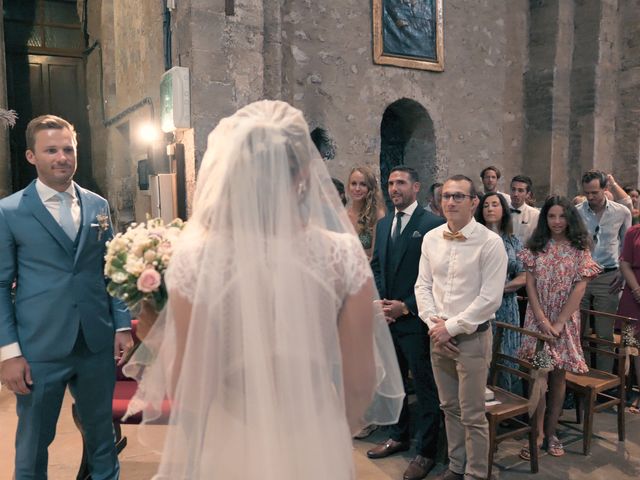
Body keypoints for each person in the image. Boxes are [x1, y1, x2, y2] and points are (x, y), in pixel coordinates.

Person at [123, 101, 404, 479]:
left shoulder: (197, 257)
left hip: (229, 435)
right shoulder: (342, 255)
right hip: (314, 435)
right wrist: (330, 434)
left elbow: (189, 383)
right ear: (305, 171)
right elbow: (361, 380)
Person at [0, 114, 132, 479]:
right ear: (31, 156)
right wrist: (8, 353)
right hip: (40, 346)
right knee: (33, 443)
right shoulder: (9, 211)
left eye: (68, 149)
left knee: (102, 438)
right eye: (51, 150)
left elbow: (113, 268)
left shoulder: (97, 206)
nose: (62, 157)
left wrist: (121, 324)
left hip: (94, 342)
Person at [415, 175, 508, 480]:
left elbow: (490, 299)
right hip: (437, 335)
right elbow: (423, 285)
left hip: (472, 338)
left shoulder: (490, 242)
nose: (451, 202)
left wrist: (451, 328)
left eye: (458, 196)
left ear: (473, 202)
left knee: (472, 414)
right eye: (446, 196)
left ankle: (477, 474)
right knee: (449, 407)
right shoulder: (431, 238)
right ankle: (456, 467)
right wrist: (434, 325)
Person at [368, 166, 444, 480]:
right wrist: (380, 302)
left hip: (416, 320)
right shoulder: (384, 224)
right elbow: (377, 266)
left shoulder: (433, 224)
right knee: (395, 380)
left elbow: (438, 277)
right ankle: (398, 435)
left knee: (425, 387)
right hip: (388, 318)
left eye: (400, 182)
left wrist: (407, 308)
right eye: (390, 183)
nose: (394, 188)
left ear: (416, 187)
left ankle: (426, 451)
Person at [517, 195, 600, 459]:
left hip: (565, 319)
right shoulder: (536, 246)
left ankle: (552, 432)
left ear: (570, 218)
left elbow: (581, 286)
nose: (556, 221)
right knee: (539, 374)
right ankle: (537, 432)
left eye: (562, 216)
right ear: (545, 219)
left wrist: (560, 321)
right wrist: (541, 319)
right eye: (551, 216)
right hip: (538, 317)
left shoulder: (579, 248)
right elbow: (529, 284)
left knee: (558, 376)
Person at [576, 170, 631, 372]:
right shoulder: (576, 211)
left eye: (595, 193)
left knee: (604, 333)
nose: (590, 197)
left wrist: (622, 272)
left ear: (605, 189)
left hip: (608, 275)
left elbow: (626, 246)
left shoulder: (621, 212)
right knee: (577, 331)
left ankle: (604, 381)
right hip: (581, 275)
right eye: (587, 193)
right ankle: (581, 377)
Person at [475, 192, 526, 394]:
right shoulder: (475, 239)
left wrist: (500, 289)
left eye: (495, 204)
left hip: (506, 304)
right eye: (486, 205)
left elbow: (524, 275)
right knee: (482, 353)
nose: (489, 208)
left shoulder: (513, 242)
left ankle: (506, 403)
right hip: (479, 303)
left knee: (507, 353)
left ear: (503, 210)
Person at [616, 223, 640, 414]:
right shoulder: (634, 231)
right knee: (632, 345)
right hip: (634, 294)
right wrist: (637, 290)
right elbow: (624, 263)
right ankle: (631, 390)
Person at [346, 166, 386, 258]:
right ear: (348, 186)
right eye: (353, 184)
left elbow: (378, 254)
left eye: (363, 184)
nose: (357, 189)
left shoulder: (377, 215)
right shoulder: (343, 216)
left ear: (370, 188)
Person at [509, 175, 540, 245]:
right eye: (513, 189)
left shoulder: (535, 215)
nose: (515, 194)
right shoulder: (501, 211)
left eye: (520, 190)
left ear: (528, 194)